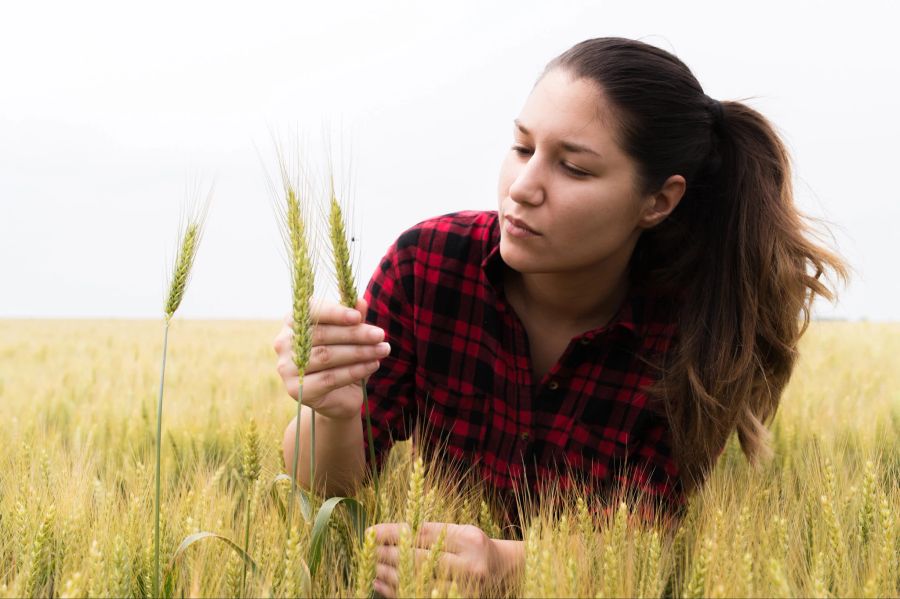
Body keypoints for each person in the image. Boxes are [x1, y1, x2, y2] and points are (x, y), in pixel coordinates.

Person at [274, 37, 845, 597]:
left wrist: (511, 567)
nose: (521, 189)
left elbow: (648, 544)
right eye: (522, 148)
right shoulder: (426, 266)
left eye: (573, 168)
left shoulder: (696, 333)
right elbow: (327, 496)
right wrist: (332, 411)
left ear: (658, 201)